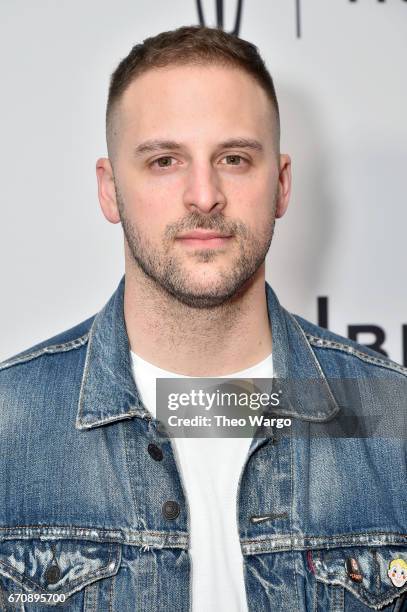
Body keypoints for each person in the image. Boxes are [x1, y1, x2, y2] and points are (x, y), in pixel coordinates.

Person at [0, 25, 406, 612]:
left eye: (234, 158)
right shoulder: (10, 423)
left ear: (282, 184)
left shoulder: (387, 417)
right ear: (111, 190)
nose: (204, 194)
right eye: (165, 160)